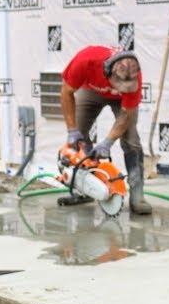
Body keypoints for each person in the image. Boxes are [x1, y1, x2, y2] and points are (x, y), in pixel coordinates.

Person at [60, 44, 154, 215]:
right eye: (119, 84)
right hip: (91, 90)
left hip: (121, 100)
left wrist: (108, 142)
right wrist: (72, 130)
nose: (122, 87)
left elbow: (126, 115)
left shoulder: (133, 75)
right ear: (108, 71)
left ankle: (137, 196)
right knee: (78, 135)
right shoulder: (85, 60)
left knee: (131, 139)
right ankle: (84, 187)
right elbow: (66, 92)